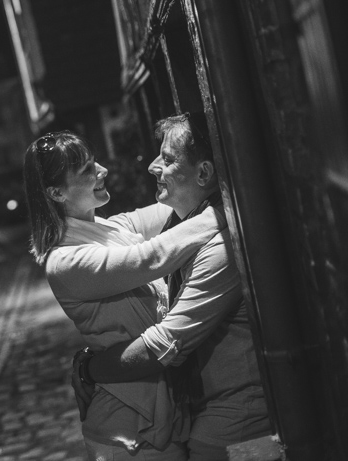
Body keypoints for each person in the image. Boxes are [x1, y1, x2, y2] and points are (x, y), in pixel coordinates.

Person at [72, 112, 272, 460]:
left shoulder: (221, 247)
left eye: (167, 159)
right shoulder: (179, 221)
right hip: (202, 417)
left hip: (236, 427)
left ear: (204, 173)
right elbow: (106, 230)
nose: (152, 166)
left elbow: (166, 344)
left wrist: (90, 368)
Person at [23, 129, 227, 460]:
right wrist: (226, 209)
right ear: (57, 192)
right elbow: (153, 257)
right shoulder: (65, 261)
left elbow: (180, 200)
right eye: (88, 169)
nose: (102, 171)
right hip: (127, 430)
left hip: (162, 416)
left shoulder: (114, 227)